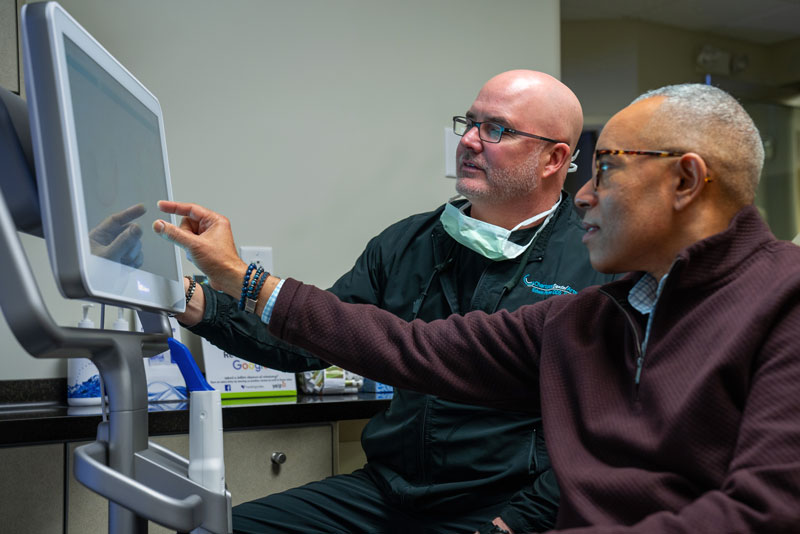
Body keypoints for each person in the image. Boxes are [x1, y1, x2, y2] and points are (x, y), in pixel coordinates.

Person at [156, 83, 800, 533]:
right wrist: (235, 281)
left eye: (606, 169)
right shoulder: (603, 314)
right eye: (471, 125)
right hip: (395, 490)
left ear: (686, 181)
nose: (585, 195)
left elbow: (765, 512)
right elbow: (410, 349)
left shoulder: (779, 299)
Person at [167, 70, 615, 534]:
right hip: (389, 493)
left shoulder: (596, 262)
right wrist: (185, 295)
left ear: (554, 158)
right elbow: (305, 343)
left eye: (496, 129)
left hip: (505, 506)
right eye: (469, 123)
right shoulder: (408, 243)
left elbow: (606, 431)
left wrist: (518, 522)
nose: (470, 141)